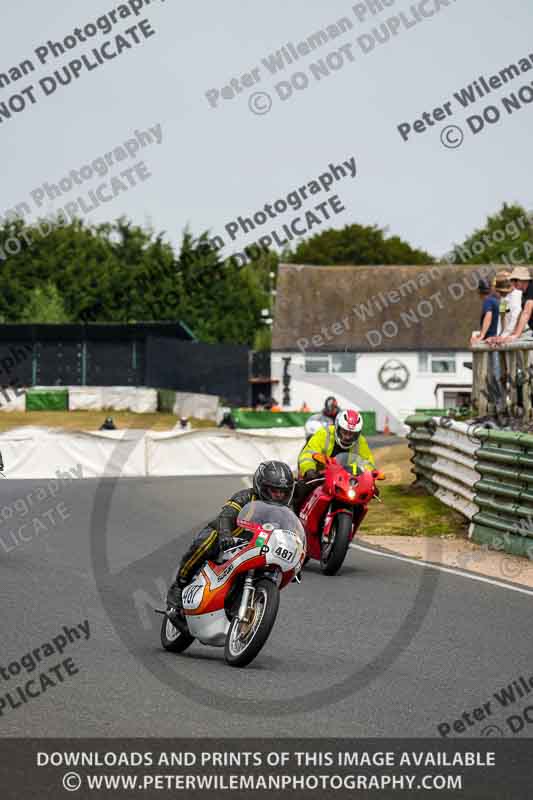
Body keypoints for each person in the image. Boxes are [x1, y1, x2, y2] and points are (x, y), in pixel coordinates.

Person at [166, 460, 295, 620]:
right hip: (227, 537)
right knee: (207, 541)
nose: (279, 495)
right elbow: (227, 515)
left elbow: (291, 534)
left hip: (255, 547)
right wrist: (225, 535)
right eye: (274, 491)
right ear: (261, 485)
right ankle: (180, 584)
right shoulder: (246, 496)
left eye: (283, 492)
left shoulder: (286, 511)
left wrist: (295, 560)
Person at [294, 409, 375, 512]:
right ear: (337, 428)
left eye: (352, 434)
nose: (347, 437)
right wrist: (309, 470)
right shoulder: (324, 433)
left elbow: (368, 463)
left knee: (360, 505)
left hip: (345, 481)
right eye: (344, 432)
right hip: (318, 476)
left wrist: (371, 480)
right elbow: (307, 454)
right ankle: (294, 520)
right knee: (300, 491)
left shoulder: (361, 442)